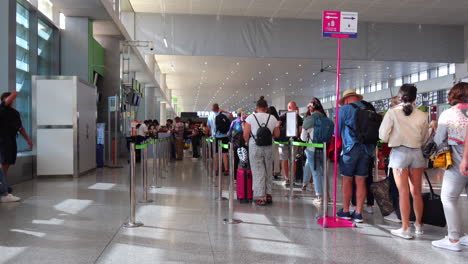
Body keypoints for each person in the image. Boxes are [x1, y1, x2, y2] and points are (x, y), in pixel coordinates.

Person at [379, 84, 429, 239]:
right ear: (415, 98)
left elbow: (383, 136)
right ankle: (419, 226)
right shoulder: (422, 115)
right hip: (417, 154)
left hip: (399, 153)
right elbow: (425, 137)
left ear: (400, 96)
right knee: (417, 192)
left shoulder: (392, 112)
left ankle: (405, 228)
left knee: (403, 192)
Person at [432, 82, 468, 251]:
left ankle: (453, 238)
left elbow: (439, 139)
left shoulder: (448, 114)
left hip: (458, 158)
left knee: (448, 197)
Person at [336, 89, 376, 223]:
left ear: (346, 99)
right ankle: (358, 213)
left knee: (347, 180)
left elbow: (336, 132)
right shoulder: (368, 108)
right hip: (367, 149)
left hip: (350, 149)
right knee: (361, 180)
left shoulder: (345, 109)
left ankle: (346, 211)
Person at [243, 96, 280, 206]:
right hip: (269, 146)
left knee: (258, 170)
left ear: (256, 107)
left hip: (255, 146)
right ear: (266, 107)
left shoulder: (250, 118)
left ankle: (261, 197)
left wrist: (246, 142)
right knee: (268, 169)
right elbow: (277, 134)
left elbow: (245, 134)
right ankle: (269, 194)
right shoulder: (272, 118)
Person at [0, 92, 32, 201]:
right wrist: (15, 93)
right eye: (7, 99)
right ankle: (3, 192)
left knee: (6, 164)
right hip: (3, 142)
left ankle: (3, 188)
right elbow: (7, 100)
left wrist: (28, 140)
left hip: (11, 141)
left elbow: (20, 128)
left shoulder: (15, 113)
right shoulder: (1, 110)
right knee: (3, 165)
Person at [300, 98, 328, 204]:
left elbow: (303, 138)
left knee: (316, 172)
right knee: (323, 173)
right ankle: (327, 195)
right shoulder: (326, 118)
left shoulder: (309, 119)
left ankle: (319, 196)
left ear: (311, 108)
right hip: (323, 148)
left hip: (311, 149)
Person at [277, 101, 303, 186]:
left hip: (284, 140)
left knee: (284, 159)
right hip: (294, 140)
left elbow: (278, 126)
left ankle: (287, 178)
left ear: (288, 107)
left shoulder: (283, 116)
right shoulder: (298, 117)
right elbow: (300, 130)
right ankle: (292, 178)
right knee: (293, 159)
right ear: (295, 108)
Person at [207, 104, 233, 175]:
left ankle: (216, 170)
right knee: (224, 153)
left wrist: (212, 132)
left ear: (212, 110)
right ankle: (226, 169)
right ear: (219, 108)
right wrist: (224, 111)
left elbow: (208, 127)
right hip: (224, 137)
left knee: (216, 154)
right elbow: (231, 115)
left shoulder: (210, 117)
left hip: (215, 138)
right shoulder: (224, 114)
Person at [228, 109, 246, 176]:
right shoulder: (245, 122)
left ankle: (235, 176)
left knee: (236, 159)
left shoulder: (234, 122)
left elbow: (229, 133)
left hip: (236, 143)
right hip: (244, 143)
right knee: (244, 159)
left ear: (237, 114)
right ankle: (244, 176)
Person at [268, 106, 282, 179]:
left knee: (269, 156)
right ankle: (276, 171)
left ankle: (269, 171)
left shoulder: (268, 119)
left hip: (268, 140)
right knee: (276, 156)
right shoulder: (277, 119)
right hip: (276, 140)